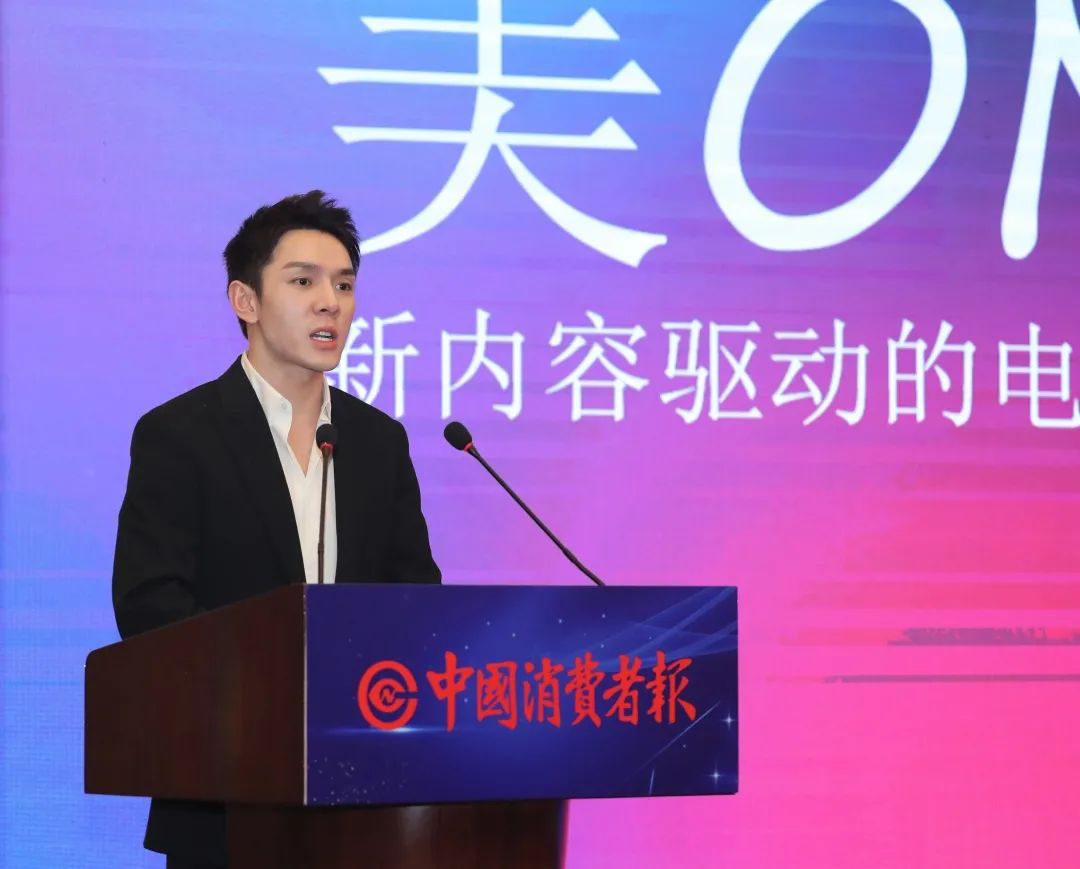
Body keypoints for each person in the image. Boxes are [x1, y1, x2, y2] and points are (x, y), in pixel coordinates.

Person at [111, 190, 441, 868]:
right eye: (303, 282)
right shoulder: (180, 434)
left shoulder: (379, 441)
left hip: (367, 796)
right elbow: (150, 605)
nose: (330, 304)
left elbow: (416, 600)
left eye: (343, 285)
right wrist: (272, 688)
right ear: (246, 301)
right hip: (225, 794)